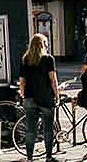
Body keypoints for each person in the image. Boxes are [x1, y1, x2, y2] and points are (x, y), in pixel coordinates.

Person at [19, 33, 60, 162]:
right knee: (48, 129)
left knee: (31, 130)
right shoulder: (48, 59)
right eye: (46, 43)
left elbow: (22, 81)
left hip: (30, 98)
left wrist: (23, 94)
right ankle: (48, 157)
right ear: (43, 44)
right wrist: (57, 95)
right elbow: (53, 79)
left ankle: (30, 159)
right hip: (46, 98)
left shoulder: (25, 59)